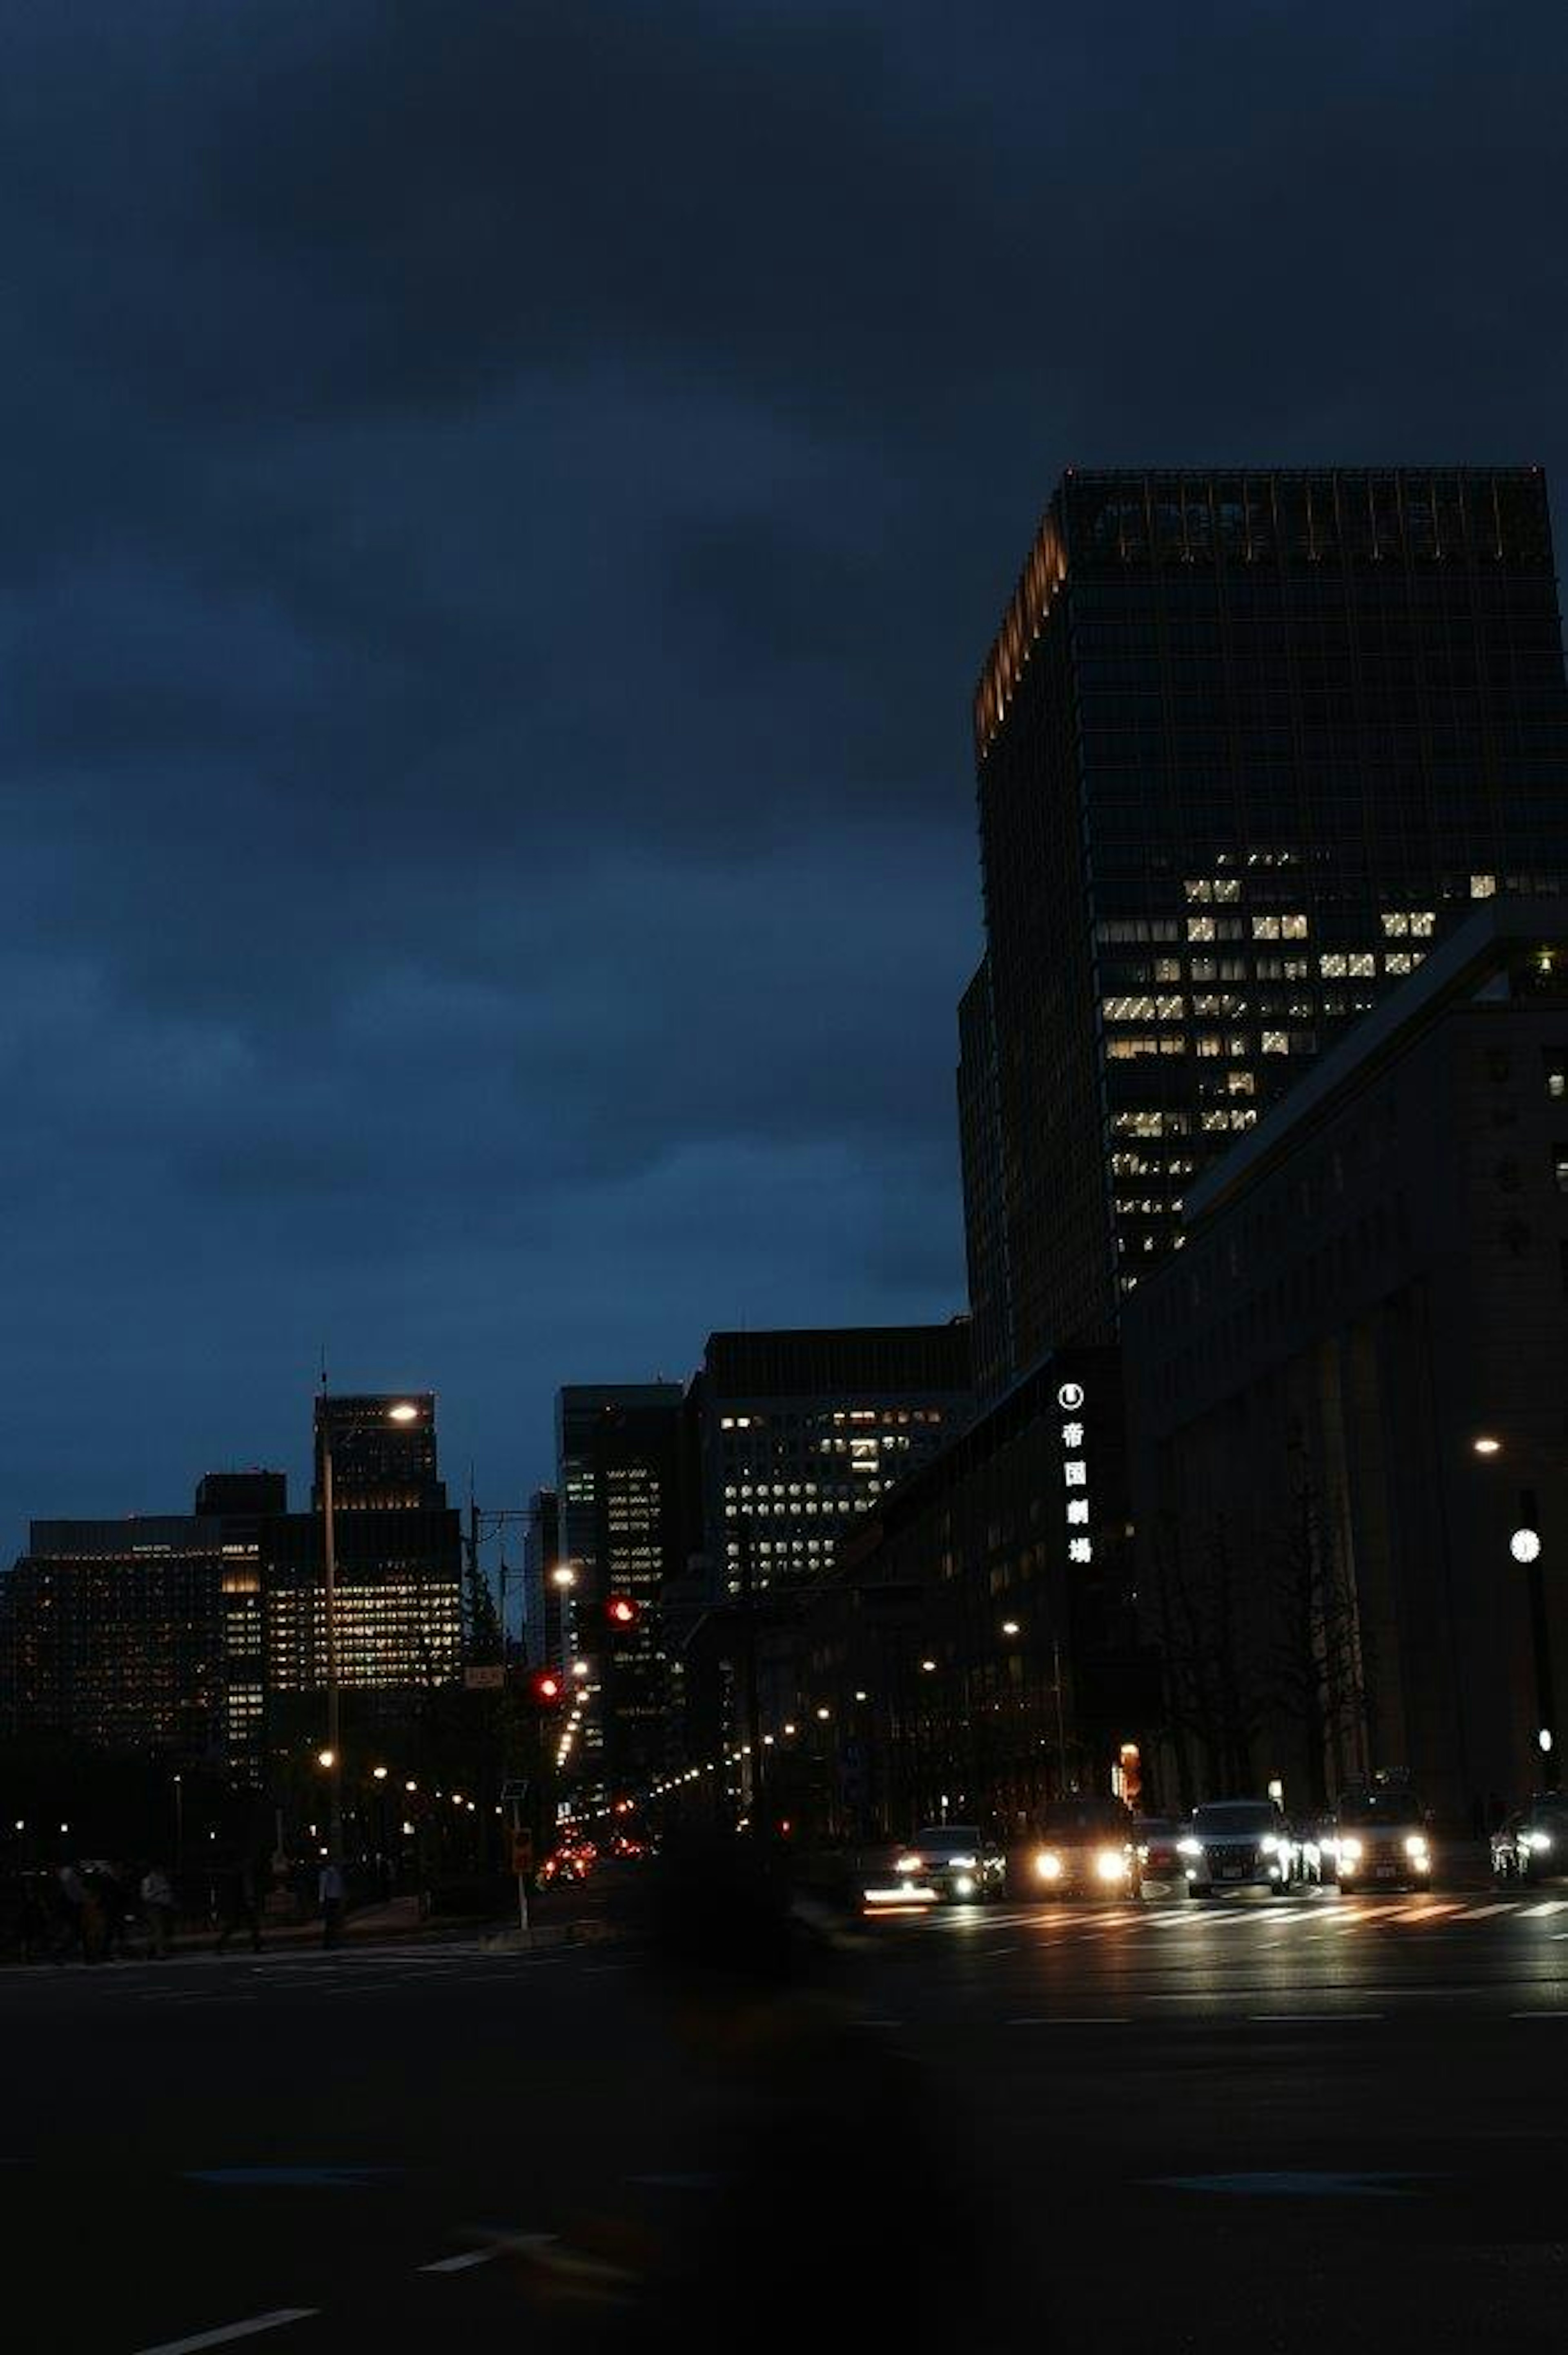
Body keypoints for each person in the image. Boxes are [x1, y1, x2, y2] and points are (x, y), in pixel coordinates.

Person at [215, 1858, 263, 1954]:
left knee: (245, 1925)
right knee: (247, 1925)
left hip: (241, 1904)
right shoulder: (241, 1877)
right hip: (242, 1904)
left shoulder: (240, 1876)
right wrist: (250, 1900)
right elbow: (245, 1891)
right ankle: (257, 1946)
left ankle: (257, 1946)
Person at [140, 1863, 175, 1959]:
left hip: (165, 1907)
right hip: (154, 1907)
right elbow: (145, 1896)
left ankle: (149, 1951)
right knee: (159, 1930)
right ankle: (160, 1953)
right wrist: (158, 1892)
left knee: (163, 1930)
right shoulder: (148, 1880)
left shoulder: (163, 1879)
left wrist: (171, 1902)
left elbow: (169, 1893)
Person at [318, 1858, 345, 1947]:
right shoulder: (329, 1873)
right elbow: (323, 1887)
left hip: (333, 1899)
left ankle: (332, 1941)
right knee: (331, 1922)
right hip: (330, 1899)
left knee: (332, 1922)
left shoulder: (334, 1873)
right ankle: (329, 1942)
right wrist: (322, 1900)